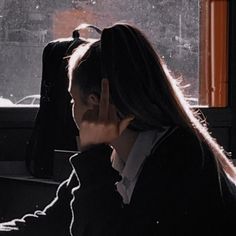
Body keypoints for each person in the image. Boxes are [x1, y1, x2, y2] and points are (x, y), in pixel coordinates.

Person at [1, 22, 236, 235]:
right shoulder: (110, 152)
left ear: (94, 103)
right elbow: (54, 220)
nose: (72, 109)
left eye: (74, 100)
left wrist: (91, 157)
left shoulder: (179, 157)